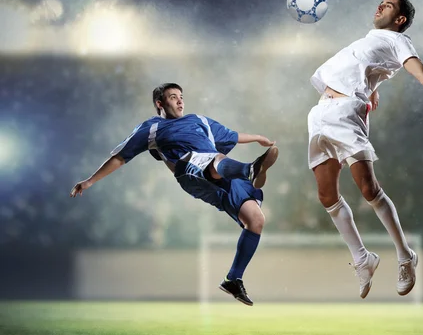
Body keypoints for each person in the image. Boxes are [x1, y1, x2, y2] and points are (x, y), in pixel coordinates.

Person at [307, 0, 423, 299]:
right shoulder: (368, 41)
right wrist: (373, 87)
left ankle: (405, 256)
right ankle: (363, 259)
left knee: (368, 189)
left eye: (388, 5)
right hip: (320, 114)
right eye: (380, 2)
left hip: (346, 113)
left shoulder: (397, 41)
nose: (380, 6)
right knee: (326, 196)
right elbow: (368, 69)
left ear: (400, 19)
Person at [70, 83, 278, 306]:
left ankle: (233, 279)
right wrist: (90, 180)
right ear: (160, 104)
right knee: (214, 158)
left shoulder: (200, 120)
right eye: (172, 97)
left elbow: (232, 135)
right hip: (189, 169)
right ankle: (249, 170)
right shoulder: (151, 128)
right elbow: (121, 157)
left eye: (181, 96)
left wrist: (257, 137)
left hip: (220, 172)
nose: (180, 101)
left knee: (256, 219)